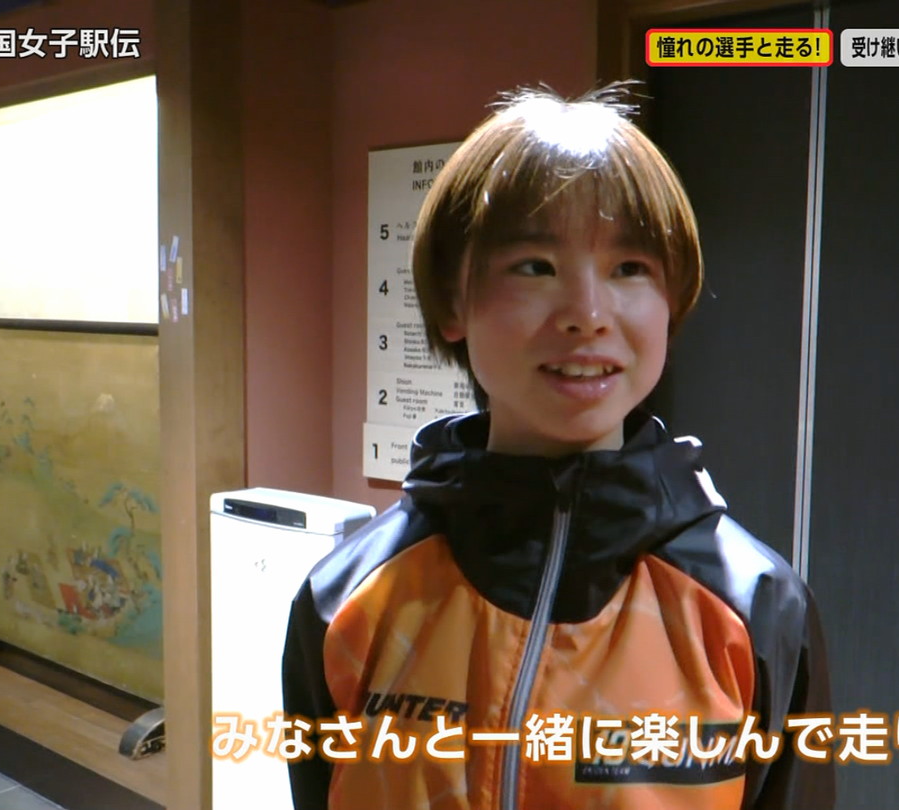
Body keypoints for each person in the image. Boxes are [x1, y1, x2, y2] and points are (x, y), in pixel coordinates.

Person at [283, 83, 833, 810]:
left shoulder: (755, 606)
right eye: (535, 266)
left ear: (672, 303)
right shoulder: (350, 597)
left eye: (630, 268)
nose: (588, 314)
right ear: (452, 301)